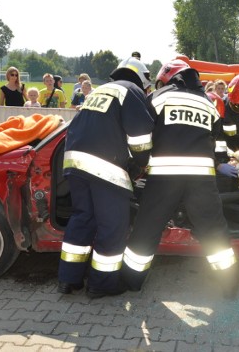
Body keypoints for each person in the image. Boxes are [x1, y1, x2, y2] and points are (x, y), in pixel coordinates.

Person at [122, 59, 237, 297]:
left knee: (147, 227)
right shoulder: (209, 103)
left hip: (165, 175)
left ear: (167, 78)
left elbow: (142, 133)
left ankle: (132, 280)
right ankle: (228, 285)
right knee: (213, 229)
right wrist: (220, 164)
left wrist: (137, 163)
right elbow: (219, 145)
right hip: (202, 178)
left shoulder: (160, 96)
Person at [58, 62, 155, 299]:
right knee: (112, 225)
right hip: (105, 166)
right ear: (141, 79)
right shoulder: (130, 91)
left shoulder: (102, 90)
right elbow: (141, 138)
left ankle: (68, 279)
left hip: (74, 163)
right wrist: (141, 162)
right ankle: (101, 283)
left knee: (83, 218)